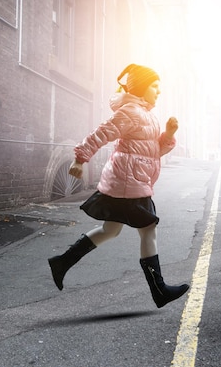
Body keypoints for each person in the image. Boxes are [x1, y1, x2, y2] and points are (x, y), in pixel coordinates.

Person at [48, 63, 189, 308]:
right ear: (142, 88)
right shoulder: (131, 112)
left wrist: (167, 134)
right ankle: (160, 291)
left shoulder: (146, 115)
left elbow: (155, 150)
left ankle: (62, 262)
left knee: (110, 231)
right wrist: (81, 159)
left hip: (130, 181)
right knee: (148, 230)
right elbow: (102, 133)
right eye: (154, 87)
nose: (158, 92)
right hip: (128, 182)